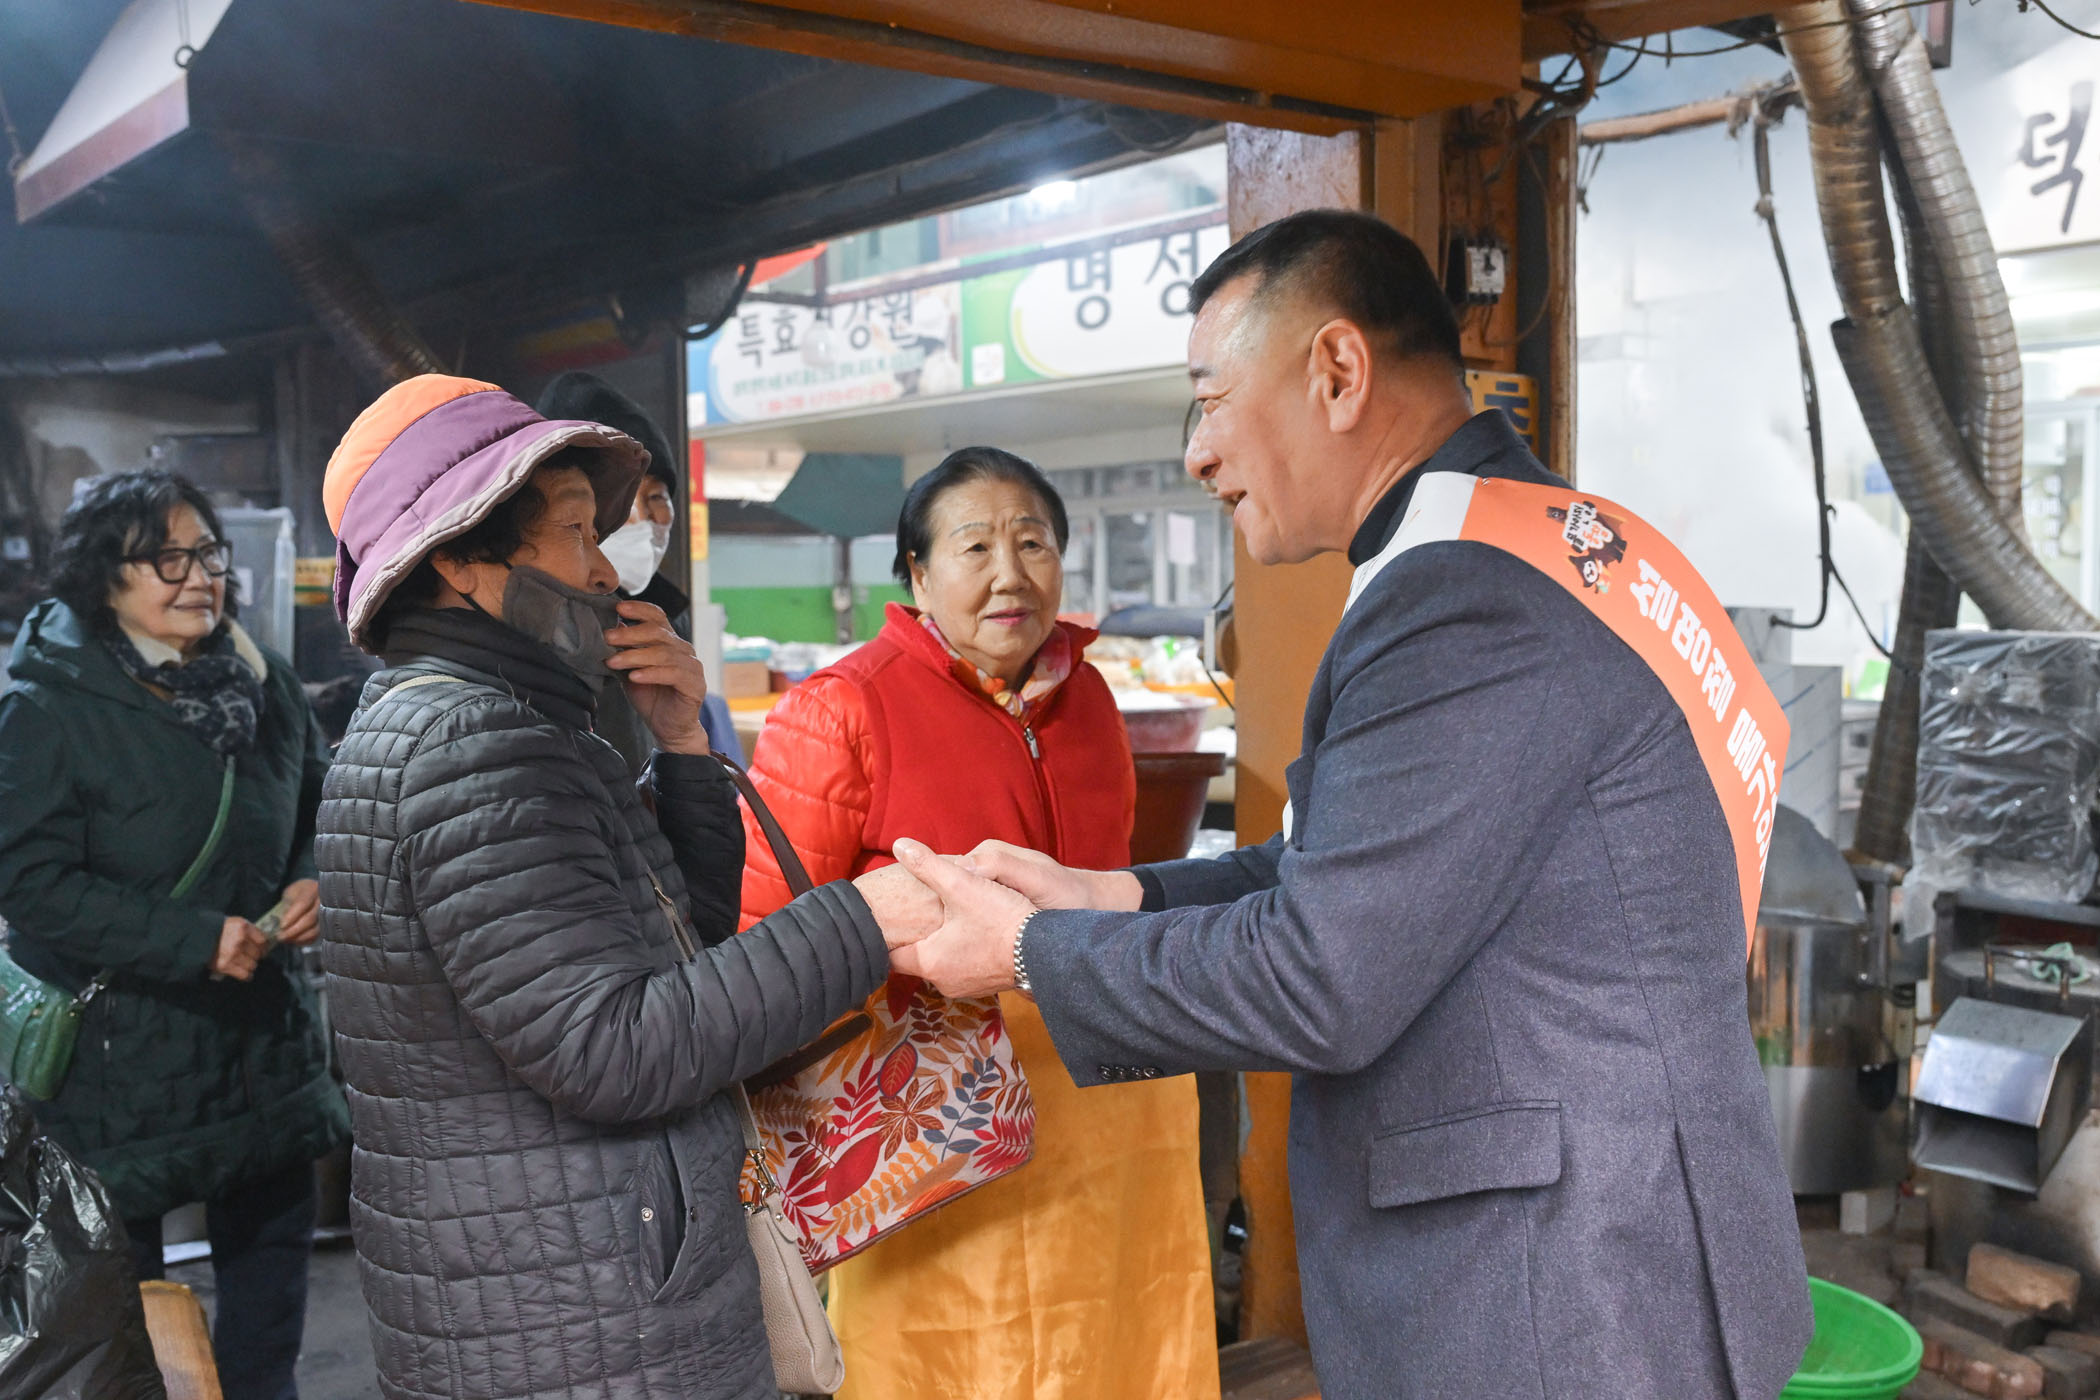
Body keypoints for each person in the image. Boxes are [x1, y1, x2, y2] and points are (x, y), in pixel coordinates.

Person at [876, 212, 1815, 1399]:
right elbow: (1335, 859)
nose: (1198, 454)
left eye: (1210, 399)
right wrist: (1109, 894)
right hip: (1620, 1234)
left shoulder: (1464, 596)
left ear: (1336, 371)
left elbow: (1320, 974)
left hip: (1562, 1285)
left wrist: (1025, 948)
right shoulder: (1564, 545)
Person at [313, 374, 935, 1400]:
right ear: (459, 558)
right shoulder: (474, 742)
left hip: (548, 1294)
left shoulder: (471, 718)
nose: (604, 568)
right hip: (583, 1316)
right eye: (572, 532)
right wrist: (863, 919)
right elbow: (614, 1046)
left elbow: (680, 937)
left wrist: (682, 747)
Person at [737, 446, 1219, 1400]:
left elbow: (1111, 878)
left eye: (1033, 543)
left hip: (1109, 1101)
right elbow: (769, 943)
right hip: (934, 1123)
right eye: (975, 547)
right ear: (918, 575)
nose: (1011, 574)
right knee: (946, 1356)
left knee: (1124, 1336)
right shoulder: (839, 709)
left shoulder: (1092, 700)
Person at [0, 469, 348, 1400]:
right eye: (167, 559)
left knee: (268, 1308)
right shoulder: (46, 705)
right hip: (118, 1068)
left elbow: (321, 801)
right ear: (102, 578)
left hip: (263, 1051)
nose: (201, 577)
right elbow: (28, 882)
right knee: (123, 1317)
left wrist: (313, 874)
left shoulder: (263, 680)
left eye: (208, 553)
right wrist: (191, 939)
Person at [535, 370, 743, 768]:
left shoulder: (664, 617)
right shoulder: (534, 617)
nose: (647, 518)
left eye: (658, 497)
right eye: (628, 497)